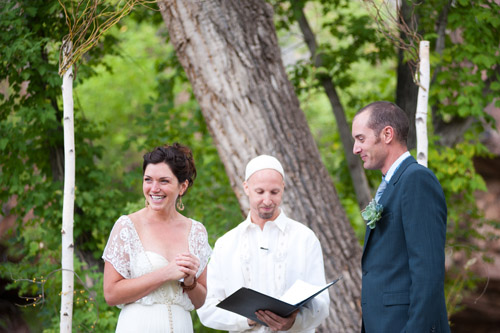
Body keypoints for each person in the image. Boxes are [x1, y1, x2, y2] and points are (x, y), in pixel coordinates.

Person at [197, 154, 329, 332]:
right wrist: (248, 320)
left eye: (274, 192)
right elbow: (207, 309)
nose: (267, 200)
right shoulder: (226, 244)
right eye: (260, 192)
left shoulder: (305, 238)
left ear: (283, 188)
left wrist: (293, 322)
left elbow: (321, 304)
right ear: (246, 188)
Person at [351, 101, 450, 333]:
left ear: (387, 134)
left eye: (361, 139)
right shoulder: (391, 186)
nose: (355, 149)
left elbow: (428, 271)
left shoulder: (416, 180)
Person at [102, 143, 212, 332]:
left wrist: (190, 282)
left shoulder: (196, 231)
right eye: (148, 180)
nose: (154, 188)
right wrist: (165, 273)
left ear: (182, 186)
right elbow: (111, 294)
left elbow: (200, 301)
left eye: (163, 181)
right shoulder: (127, 226)